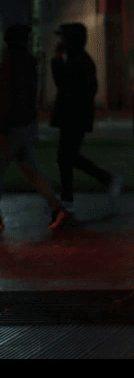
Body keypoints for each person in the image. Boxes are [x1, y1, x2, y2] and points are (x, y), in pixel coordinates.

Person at [0, 24, 72, 231]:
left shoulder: (9, 64)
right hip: (25, 126)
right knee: (32, 172)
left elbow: (5, 99)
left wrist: (2, 130)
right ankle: (57, 208)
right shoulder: (29, 63)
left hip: (11, 127)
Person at [51, 22, 122, 212]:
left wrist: (56, 59)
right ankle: (70, 197)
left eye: (63, 38)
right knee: (67, 157)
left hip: (73, 117)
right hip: (76, 117)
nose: (61, 42)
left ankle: (106, 180)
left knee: (67, 156)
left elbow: (62, 82)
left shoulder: (77, 61)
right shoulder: (80, 60)